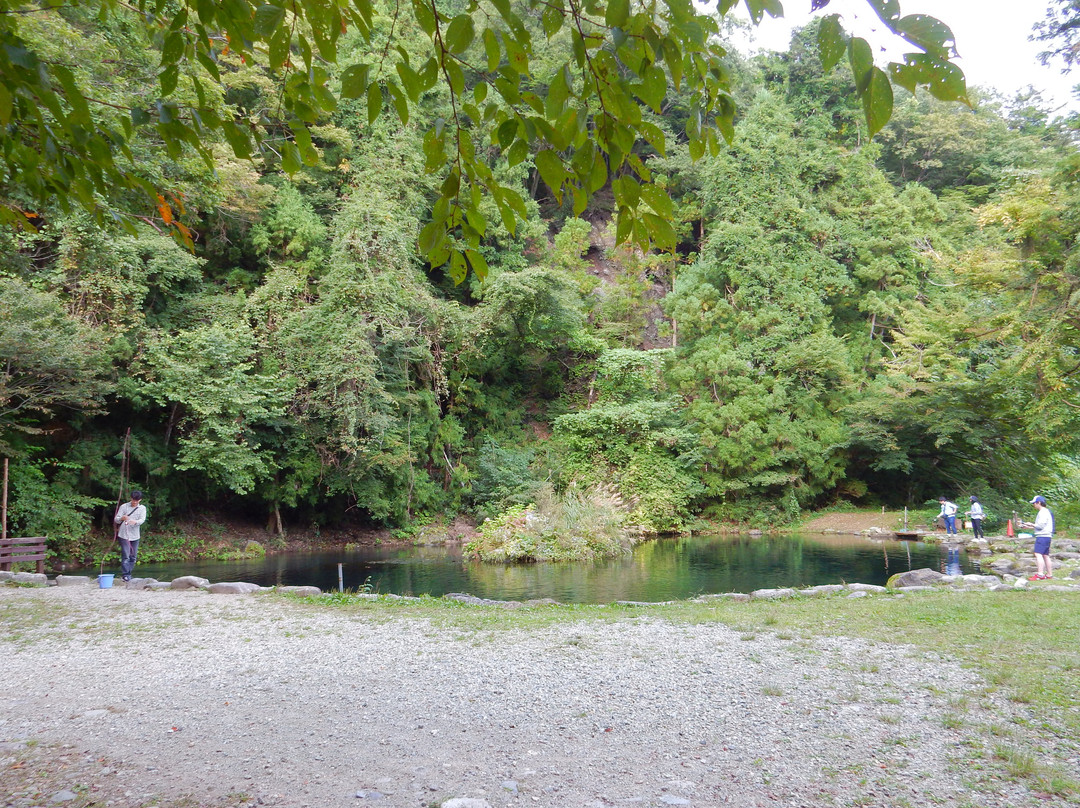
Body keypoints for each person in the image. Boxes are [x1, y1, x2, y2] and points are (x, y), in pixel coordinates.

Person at [114, 491, 147, 583]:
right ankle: (125, 575)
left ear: (140, 500)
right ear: (131, 498)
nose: (134, 502)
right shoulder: (124, 506)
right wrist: (121, 518)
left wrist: (135, 522)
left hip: (135, 535)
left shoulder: (142, 508)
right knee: (126, 555)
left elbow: (142, 519)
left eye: (137, 500)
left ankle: (128, 574)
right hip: (124, 534)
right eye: (133, 500)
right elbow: (116, 520)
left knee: (133, 557)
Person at [1020, 495, 1054, 581]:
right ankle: (1049, 574)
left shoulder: (1042, 512)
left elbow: (1040, 525)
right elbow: (1041, 526)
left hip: (1042, 536)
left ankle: (1040, 574)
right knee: (1045, 555)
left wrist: (1030, 524)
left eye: (1034, 503)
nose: (1033, 505)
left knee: (1038, 554)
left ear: (1039, 503)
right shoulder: (1046, 511)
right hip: (1047, 536)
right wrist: (1028, 526)